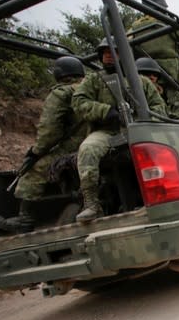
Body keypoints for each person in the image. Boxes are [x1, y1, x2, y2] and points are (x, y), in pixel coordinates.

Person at [72, 38, 167, 222]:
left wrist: (143, 122)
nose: (108, 55)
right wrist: (105, 111)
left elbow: (158, 108)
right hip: (108, 131)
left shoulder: (140, 81)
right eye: (105, 52)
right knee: (87, 149)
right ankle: (92, 204)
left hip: (137, 129)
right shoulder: (94, 80)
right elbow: (78, 102)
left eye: (113, 51)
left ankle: (157, 198)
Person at [0, 56, 88, 233]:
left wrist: (36, 152)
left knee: (34, 170)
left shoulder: (62, 93)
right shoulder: (92, 88)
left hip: (74, 146)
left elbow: (49, 130)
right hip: (97, 140)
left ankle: (24, 219)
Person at [128, 0, 179, 88]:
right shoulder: (165, 21)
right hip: (172, 72)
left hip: (146, 73)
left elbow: (127, 47)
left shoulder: (134, 27)